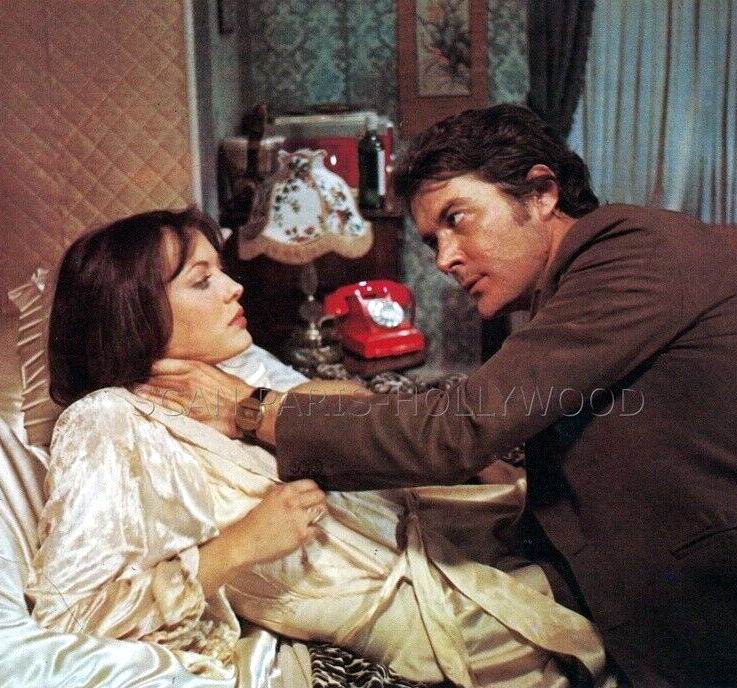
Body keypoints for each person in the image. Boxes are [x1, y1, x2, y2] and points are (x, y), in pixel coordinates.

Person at [145, 105, 737, 687]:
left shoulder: (638, 251)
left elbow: (459, 428)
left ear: (540, 193)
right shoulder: (558, 297)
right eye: (432, 240)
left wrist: (252, 409)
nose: (446, 258)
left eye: (457, 220)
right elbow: (508, 424)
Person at [27, 207, 606, 688]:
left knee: (599, 536)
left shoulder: (233, 363)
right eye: (203, 281)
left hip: (437, 532)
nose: (234, 287)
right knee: (599, 630)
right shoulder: (106, 421)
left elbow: (351, 402)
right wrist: (235, 549)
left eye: (221, 272)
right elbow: (71, 614)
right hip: (409, 609)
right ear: (133, 311)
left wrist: (259, 402)